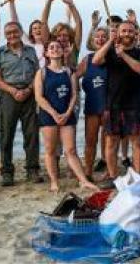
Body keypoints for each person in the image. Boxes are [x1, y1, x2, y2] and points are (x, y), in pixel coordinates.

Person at [34, 40, 97, 192]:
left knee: (71, 150)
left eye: (58, 47)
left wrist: (68, 112)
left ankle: (83, 180)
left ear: (63, 52)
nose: (55, 49)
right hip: (49, 116)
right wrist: (54, 113)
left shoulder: (70, 72)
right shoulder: (41, 72)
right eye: (51, 48)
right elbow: (39, 97)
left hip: (67, 115)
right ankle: (54, 182)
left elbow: (74, 95)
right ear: (47, 53)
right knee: (50, 150)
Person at [94, 21, 140, 180]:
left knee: (137, 142)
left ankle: (138, 177)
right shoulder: (110, 51)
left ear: (134, 34)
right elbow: (96, 61)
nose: (127, 34)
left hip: (135, 105)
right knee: (111, 142)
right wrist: (110, 42)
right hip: (113, 105)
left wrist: (123, 55)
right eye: (123, 31)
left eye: (130, 31)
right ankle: (113, 177)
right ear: (118, 33)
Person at [0, 21, 42, 186]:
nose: (12, 35)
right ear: (6, 35)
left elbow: (38, 73)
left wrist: (28, 89)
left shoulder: (31, 50)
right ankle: (7, 172)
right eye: (8, 33)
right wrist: (13, 91)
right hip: (7, 96)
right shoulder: (0, 53)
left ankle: (32, 170)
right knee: (6, 135)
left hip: (29, 94)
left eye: (15, 32)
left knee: (32, 135)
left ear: (20, 32)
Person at [75, 26, 109, 182]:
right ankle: (88, 171)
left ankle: (109, 170)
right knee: (90, 141)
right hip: (92, 105)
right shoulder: (87, 59)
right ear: (93, 40)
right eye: (98, 37)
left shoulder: (114, 57)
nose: (100, 39)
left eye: (104, 36)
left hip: (109, 106)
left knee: (108, 142)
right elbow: (74, 76)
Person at [4, 0, 48, 67]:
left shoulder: (50, 44)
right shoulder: (28, 44)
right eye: (34, 28)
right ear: (31, 32)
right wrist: (11, 3)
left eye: (40, 28)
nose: (38, 30)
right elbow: (15, 21)